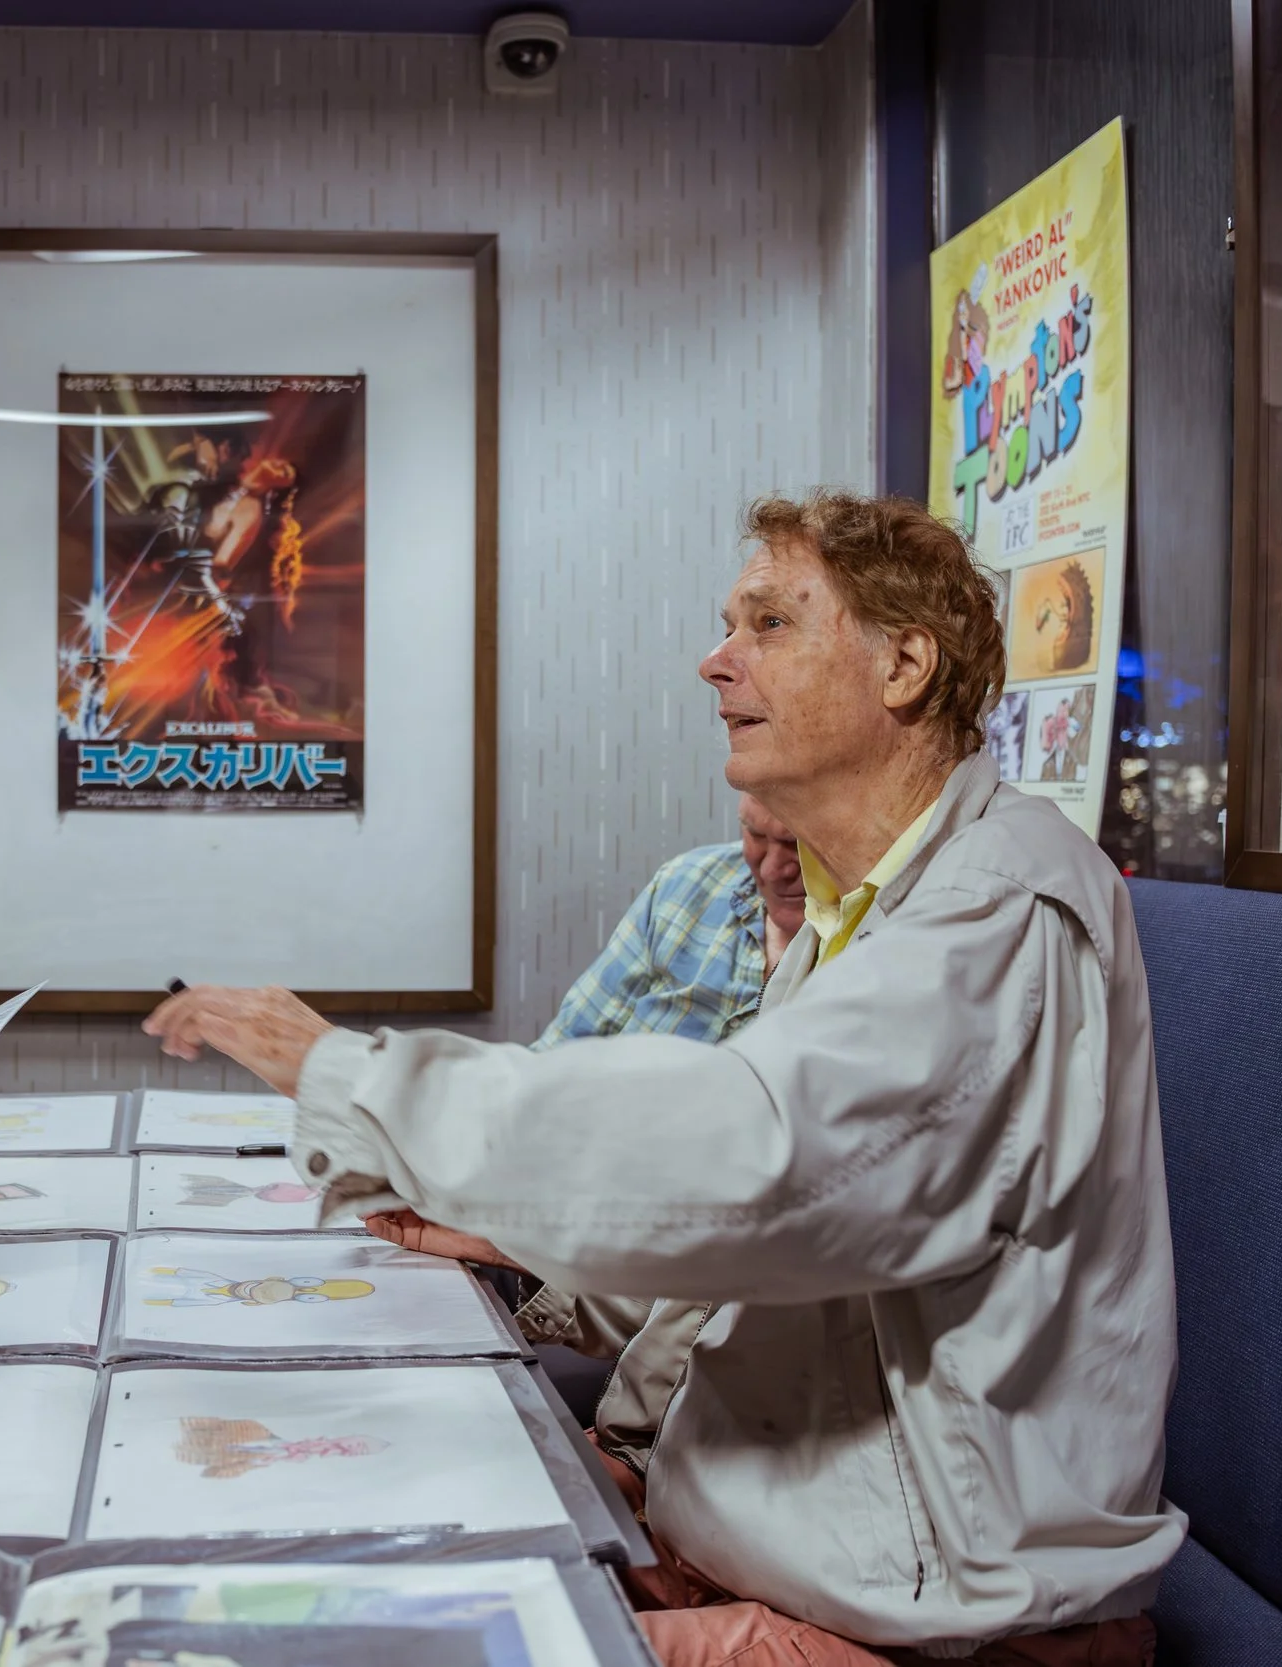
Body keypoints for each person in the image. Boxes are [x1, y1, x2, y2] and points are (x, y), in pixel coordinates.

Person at [147, 490, 1178, 1665]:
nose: (714, 661)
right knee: (295, 1540)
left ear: (902, 664)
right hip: (771, 1543)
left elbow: (758, 1166)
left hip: (917, 1627)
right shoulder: (858, 906)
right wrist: (508, 1245)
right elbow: (772, 1272)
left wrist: (349, 1073)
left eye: (769, 624)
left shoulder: (998, 908)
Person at [535, 793, 804, 1054]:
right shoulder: (686, 883)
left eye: (794, 843)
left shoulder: (844, 953)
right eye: (755, 834)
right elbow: (562, 1048)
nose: (771, 869)